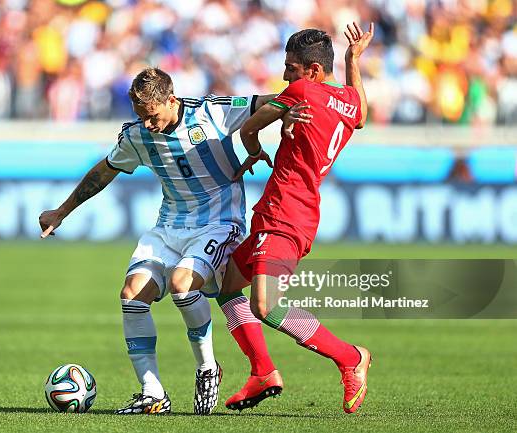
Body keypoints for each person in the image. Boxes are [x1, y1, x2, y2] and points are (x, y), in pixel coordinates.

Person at [38, 67, 296, 415]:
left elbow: (271, 101)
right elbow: (104, 171)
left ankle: (207, 368)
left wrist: (292, 110)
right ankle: (152, 392)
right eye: (141, 117)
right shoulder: (137, 136)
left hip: (218, 222)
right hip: (168, 225)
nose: (147, 124)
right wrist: (63, 211)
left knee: (182, 285)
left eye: (152, 116)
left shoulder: (213, 112)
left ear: (171, 100)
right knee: (131, 295)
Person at [216, 23, 375, 414]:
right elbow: (361, 115)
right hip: (288, 211)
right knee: (228, 289)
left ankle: (349, 357)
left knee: (265, 306)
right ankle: (262, 371)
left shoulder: (302, 92)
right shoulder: (347, 101)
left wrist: (255, 149)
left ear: (314, 71)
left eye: (291, 67)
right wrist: (354, 61)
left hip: (286, 215)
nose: (286, 76)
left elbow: (248, 129)